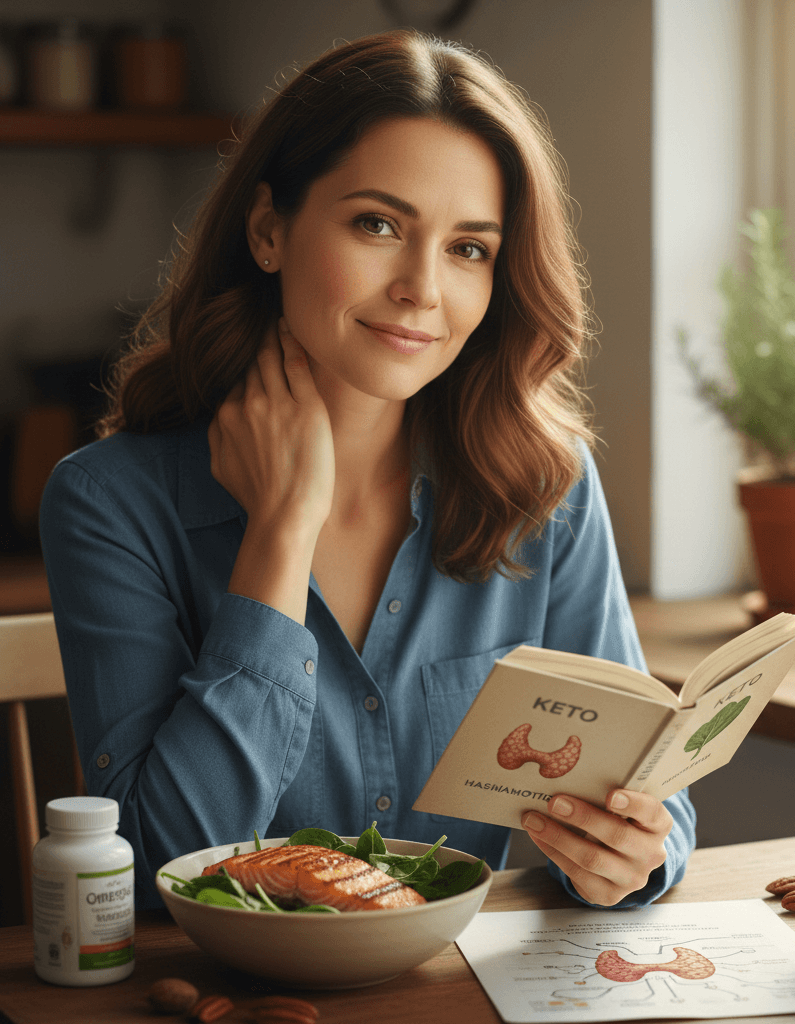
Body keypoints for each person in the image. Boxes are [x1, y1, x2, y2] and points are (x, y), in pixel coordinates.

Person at [40, 29, 696, 911]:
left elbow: (656, 799)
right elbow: (161, 876)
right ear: (270, 230)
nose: (423, 288)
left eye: (469, 248)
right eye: (378, 225)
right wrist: (279, 536)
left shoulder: (547, 483)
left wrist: (635, 855)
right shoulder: (109, 502)